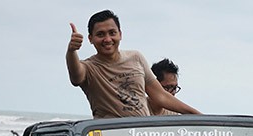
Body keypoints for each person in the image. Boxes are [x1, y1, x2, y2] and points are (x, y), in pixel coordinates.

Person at [66, 10, 200, 119]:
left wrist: (196, 114)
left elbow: (161, 96)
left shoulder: (136, 58)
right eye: (100, 34)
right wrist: (72, 50)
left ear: (120, 34)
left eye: (112, 33)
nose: (107, 39)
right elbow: (76, 77)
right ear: (91, 39)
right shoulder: (89, 67)